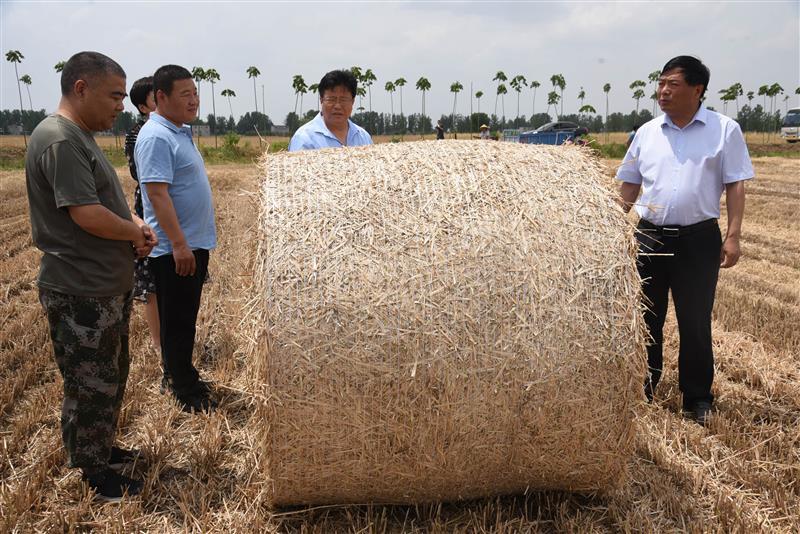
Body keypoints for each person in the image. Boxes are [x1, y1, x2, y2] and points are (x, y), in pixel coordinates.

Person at [25, 51, 156, 501]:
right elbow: (86, 215)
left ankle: (97, 447)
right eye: (115, 95)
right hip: (81, 287)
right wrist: (133, 229)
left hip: (100, 283)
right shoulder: (61, 139)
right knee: (89, 382)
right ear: (81, 88)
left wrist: (131, 229)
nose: (122, 104)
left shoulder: (77, 134)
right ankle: (93, 475)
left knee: (107, 375)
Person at [616, 55, 753, 426]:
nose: (662, 91)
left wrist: (734, 235)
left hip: (698, 239)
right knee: (645, 319)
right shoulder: (646, 133)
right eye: (660, 83)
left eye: (671, 84)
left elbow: (735, 183)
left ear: (697, 90)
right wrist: (611, 223)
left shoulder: (724, 130)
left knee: (694, 322)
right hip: (650, 237)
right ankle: (643, 388)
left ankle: (696, 398)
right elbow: (630, 184)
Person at [134, 64, 218, 413]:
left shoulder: (178, 132)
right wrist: (180, 244)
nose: (194, 100)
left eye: (195, 92)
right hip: (174, 250)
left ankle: (183, 375)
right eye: (185, 94)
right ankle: (184, 389)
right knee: (178, 322)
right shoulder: (156, 136)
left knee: (184, 317)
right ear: (160, 97)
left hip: (190, 245)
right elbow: (156, 195)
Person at [124, 76, 160, 354]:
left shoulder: (170, 129)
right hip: (147, 207)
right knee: (152, 285)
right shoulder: (139, 134)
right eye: (154, 97)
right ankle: (158, 343)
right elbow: (142, 174)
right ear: (142, 106)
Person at [288, 69, 372, 151]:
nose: (338, 106)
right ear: (321, 100)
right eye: (331, 99)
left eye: (343, 100)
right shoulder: (304, 138)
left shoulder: (363, 137)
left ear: (352, 102)